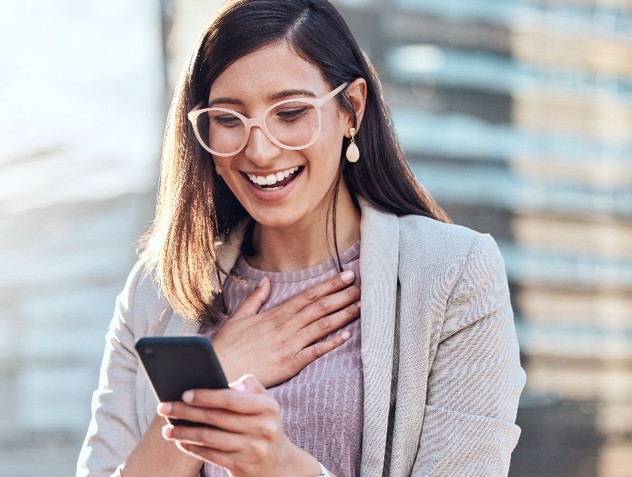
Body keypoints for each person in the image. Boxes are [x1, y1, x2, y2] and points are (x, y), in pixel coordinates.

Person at [77, 0, 525, 475]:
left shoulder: (455, 274)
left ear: (351, 108)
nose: (261, 150)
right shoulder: (156, 292)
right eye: (228, 120)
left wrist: (277, 465)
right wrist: (211, 379)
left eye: (290, 113)